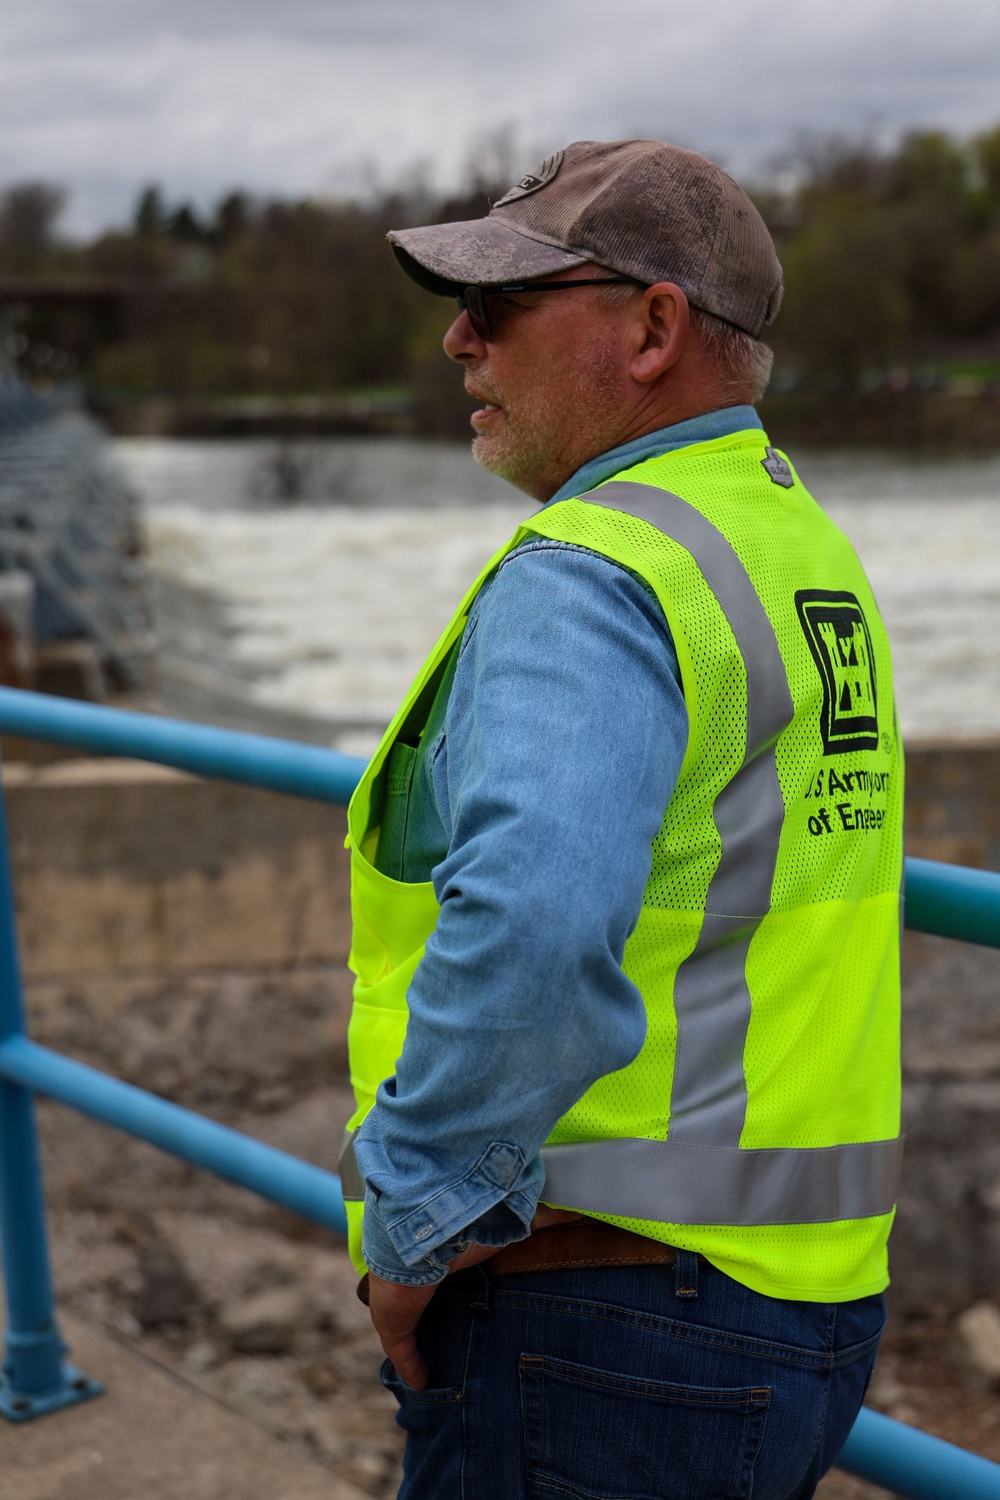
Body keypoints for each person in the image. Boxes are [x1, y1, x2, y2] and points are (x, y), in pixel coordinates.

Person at [338, 140, 903, 1500]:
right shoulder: (796, 545)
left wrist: (413, 1231)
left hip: (593, 1315)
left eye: (507, 304)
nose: (461, 341)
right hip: (803, 1312)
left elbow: (531, 927)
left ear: (653, 326)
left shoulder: (594, 573)